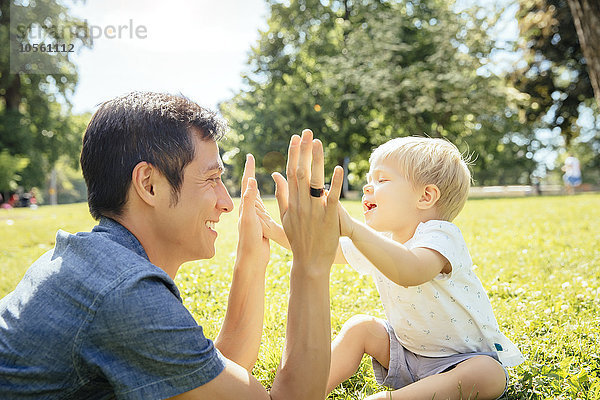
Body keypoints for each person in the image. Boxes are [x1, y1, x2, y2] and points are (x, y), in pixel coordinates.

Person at [0, 92, 344, 399]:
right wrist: (310, 262)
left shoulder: (92, 262)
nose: (226, 202)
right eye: (211, 179)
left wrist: (251, 260)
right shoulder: (127, 294)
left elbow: (210, 384)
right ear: (148, 184)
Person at [259, 136, 525, 400]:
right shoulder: (382, 240)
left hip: (460, 362)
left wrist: (353, 229)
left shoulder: (443, 236)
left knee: (489, 373)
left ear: (426, 196)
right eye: (369, 179)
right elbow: (322, 251)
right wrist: (276, 231)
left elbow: (411, 270)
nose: (367, 187)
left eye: (382, 180)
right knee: (360, 327)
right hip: (407, 354)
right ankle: (304, 392)